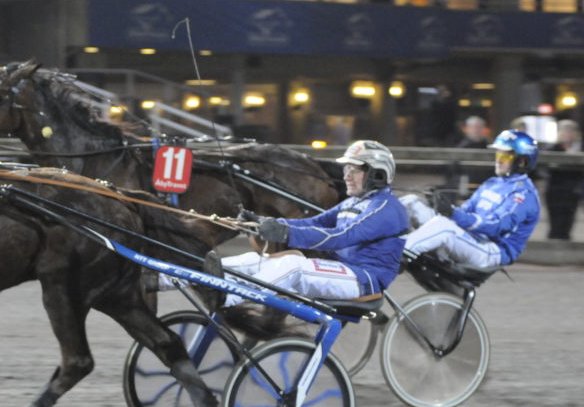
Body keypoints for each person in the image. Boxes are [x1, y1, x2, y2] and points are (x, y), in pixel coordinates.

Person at [213, 140, 409, 303]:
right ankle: (205, 278)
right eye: (346, 169)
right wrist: (265, 223)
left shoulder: (386, 208)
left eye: (354, 170)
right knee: (254, 261)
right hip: (342, 270)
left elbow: (340, 237)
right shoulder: (353, 202)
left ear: (378, 175)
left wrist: (284, 233)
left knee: (293, 265)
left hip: (363, 279)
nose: (346, 176)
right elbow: (316, 222)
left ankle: (229, 299)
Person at [402, 129, 540, 268]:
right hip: (471, 239)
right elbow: (465, 210)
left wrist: (451, 214)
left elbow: (496, 226)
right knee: (411, 202)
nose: (498, 160)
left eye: (506, 156)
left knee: (442, 226)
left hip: (491, 250)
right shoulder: (492, 183)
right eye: (498, 154)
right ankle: (383, 241)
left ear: (522, 162)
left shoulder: (523, 195)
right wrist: (440, 205)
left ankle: (395, 254)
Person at [543, 119, 583, 240]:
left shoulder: (579, 148)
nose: (567, 134)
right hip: (555, 188)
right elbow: (546, 167)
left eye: (570, 131)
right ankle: (553, 245)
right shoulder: (552, 148)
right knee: (555, 220)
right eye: (565, 131)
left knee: (568, 220)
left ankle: (564, 245)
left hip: (572, 189)